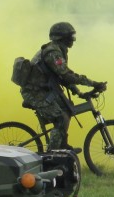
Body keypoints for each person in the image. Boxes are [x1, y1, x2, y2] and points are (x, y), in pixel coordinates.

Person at [19, 22, 106, 151]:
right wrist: (93, 83)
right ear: (62, 38)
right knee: (60, 118)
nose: (73, 40)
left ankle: (62, 145)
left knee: (67, 109)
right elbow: (67, 75)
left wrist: (79, 93)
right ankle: (52, 156)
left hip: (44, 90)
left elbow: (61, 77)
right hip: (34, 92)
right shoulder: (53, 53)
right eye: (71, 37)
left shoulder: (59, 50)